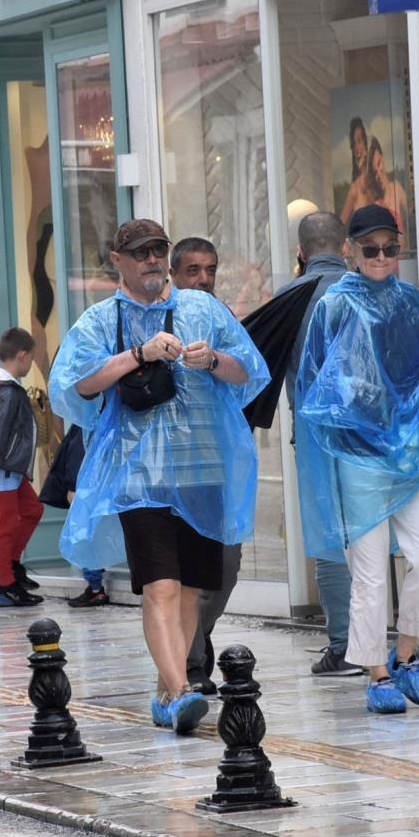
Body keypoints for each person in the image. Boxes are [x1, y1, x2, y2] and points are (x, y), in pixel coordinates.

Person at [49, 219, 269, 735]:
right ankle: (180, 689)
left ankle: (167, 689)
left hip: (200, 466)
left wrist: (212, 358)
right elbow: (76, 385)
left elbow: (250, 371)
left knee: (190, 588)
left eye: (158, 250)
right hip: (138, 476)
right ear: (118, 259)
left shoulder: (202, 308)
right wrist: (137, 356)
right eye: (141, 252)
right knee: (161, 587)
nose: (151, 259)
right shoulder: (102, 320)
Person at [295, 205, 419, 714]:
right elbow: (314, 380)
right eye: (369, 248)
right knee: (371, 573)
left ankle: (406, 653)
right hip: (356, 457)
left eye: (389, 248)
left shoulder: (413, 302)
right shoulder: (333, 305)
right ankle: (377, 672)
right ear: (350, 250)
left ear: (401, 249)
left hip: (411, 453)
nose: (380, 257)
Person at [276, 211, 361, 677]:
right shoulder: (365, 290)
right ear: (345, 247)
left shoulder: (290, 296)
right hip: (367, 430)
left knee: (328, 536)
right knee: (370, 532)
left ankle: (344, 645)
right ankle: (381, 640)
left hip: (313, 431)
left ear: (301, 253)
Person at [169, 237, 242, 694]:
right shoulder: (156, 315)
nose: (202, 279)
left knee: (226, 566)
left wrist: (215, 359)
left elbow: (248, 370)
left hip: (216, 460)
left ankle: (198, 633)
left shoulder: (223, 318)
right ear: (175, 274)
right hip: (167, 466)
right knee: (179, 574)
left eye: (210, 269)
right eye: (193, 270)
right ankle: (192, 663)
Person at [0, 327, 44, 608]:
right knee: (3, 527)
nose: (31, 364)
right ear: (23, 355)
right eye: (31, 358)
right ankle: (5, 586)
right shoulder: (5, 390)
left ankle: (10, 566)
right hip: (2, 469)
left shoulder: (5, 387)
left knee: (32, 510)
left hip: (11, 470)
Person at [39, 423, 110, 608]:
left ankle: (95, 589)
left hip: (85, 488)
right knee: (91, 534)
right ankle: (95, 586)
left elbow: (76, 454)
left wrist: (72, 486)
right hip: (101, 485)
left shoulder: (85, 420)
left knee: (84, 535)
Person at [340, 118, 384, 224]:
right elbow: (341, 224)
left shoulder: (379, 177)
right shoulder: (355, 188)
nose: (357, 148)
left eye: (359, 141)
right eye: (354, 144)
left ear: (366, 143)